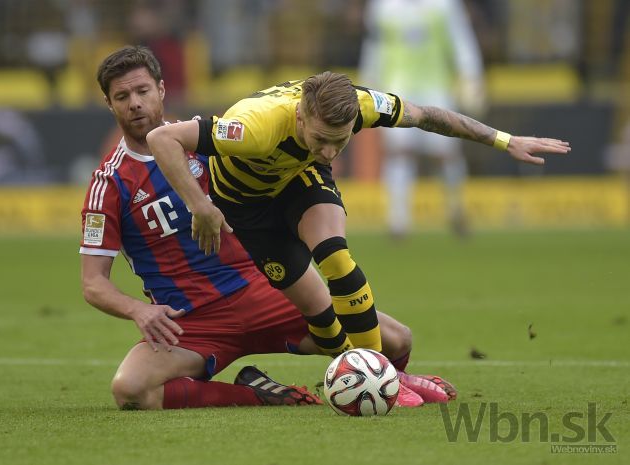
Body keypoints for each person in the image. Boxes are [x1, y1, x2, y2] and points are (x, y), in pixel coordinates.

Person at [81, 45, 452, 411]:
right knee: (130, 390)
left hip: (270, 291)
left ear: (161, 90)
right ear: (109, 104)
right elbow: (93, 283)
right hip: (191, 321)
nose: (135, 103)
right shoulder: (109, 184)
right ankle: (258, 394)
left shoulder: (210, 139)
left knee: (397, 340)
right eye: (122, 96)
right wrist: (138, 311)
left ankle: (390, 381)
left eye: (143, 91)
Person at [147, 71, 569, 371]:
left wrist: (504, 139)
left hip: (299, 179)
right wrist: (200, 205)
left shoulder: (361, 107)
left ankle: (385, 379)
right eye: (320, 140)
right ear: (299, 118)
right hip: (246, 207)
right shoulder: (254, 127)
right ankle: (361, 376)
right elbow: (162, 138)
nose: (331, 152)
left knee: (335, 256)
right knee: (322, 320)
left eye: (340, 141)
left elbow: (428, 116)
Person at [359, 0, 485, 237]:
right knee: (399, 152)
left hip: (436, 89)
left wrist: (471, 76)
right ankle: (398, 222)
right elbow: (374, 47)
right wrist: (369, 83)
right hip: (396, 89)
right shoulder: (382, 7)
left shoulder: (444, 5)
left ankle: (456, 211)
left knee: (445, 154)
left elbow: (461, 40)